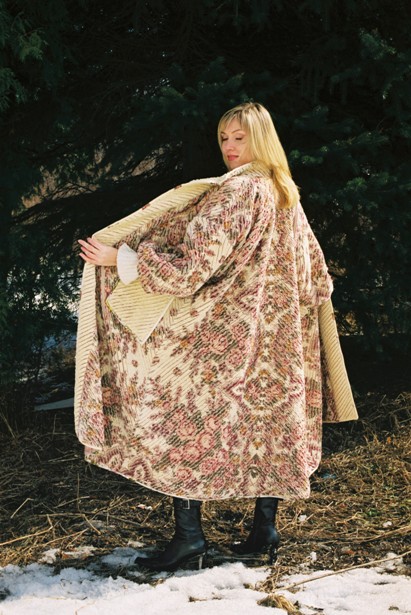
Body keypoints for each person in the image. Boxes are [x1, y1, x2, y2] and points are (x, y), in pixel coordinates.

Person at [76, 102, 357, 572]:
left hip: (226, 340)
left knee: (184, 419)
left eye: (239, 137)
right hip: (277, 342)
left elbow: (191, 270)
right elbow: (318, 276)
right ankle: (264, 532)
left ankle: (189, 539)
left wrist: (120, 260)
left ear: (261, 138)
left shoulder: (237, 192)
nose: (229, 146)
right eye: (224, 137)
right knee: (270, 426)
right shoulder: (285, 193)